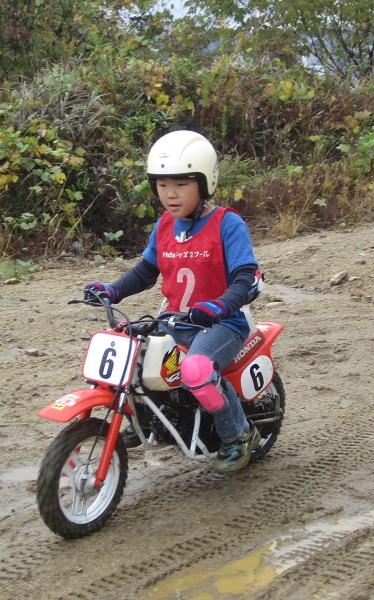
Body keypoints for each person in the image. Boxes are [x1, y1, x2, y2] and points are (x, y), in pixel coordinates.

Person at [85, 130, 262, 473]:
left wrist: (219, 306)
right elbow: (146, 271)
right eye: (163, 184)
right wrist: (112, 290)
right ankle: (146, 419)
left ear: (204, 182)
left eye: (181, 184)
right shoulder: (165, 225)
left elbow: (247, 278)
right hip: (177, 319)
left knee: (196, 369)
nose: (170, 194)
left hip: (223, 322)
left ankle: (238, 435)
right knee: (127, 349)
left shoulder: (228, 224)